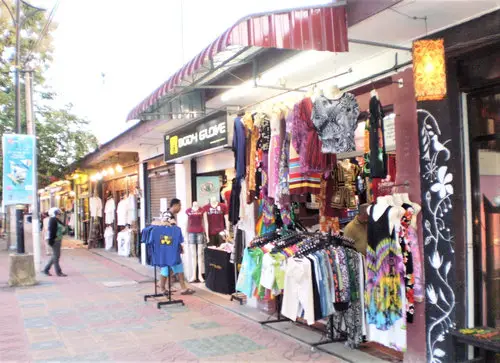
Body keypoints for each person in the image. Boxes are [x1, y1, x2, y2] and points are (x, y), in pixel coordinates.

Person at [159, 198, 195, 295]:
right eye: (180, 205)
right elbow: (165, 229)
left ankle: (180, 288)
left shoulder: (169, 215)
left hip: (170, 245)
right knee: (167, 267)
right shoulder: (168, 215)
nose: (180, 208)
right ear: (175, 205)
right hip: (168, 246)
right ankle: (163, 287)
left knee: (176, 266)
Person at [43, 208, 67, 277]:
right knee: (56, 256)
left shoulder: (57, 220)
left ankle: (46, 269)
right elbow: (52, 232)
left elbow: (63, 227)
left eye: (59, 214)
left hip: (58, 240)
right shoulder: (52, 220)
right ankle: (58, 272)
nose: (59, 215)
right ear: (54, 214)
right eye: (58, 214)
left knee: (55, 256)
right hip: (55, 240)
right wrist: (51, 241)